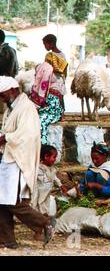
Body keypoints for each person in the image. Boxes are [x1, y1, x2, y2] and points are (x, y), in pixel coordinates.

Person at [0, 76, 55, 249]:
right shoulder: (12, 107)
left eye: (2, 95)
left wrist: (5, 138)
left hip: (18, 161)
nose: (1, 98)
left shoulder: (26, 108)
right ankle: (6, 239)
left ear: (13, 90)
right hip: (9, 159)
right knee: (2, 201)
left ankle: (45, 223)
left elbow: (27, 135)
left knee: (13, 202)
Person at [29, 62, 64, 144]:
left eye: (37, 73)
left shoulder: (54, 90)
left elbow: (55, 108)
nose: (36, 75)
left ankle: (42, 145)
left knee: (41, 121)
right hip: (45, 112)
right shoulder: (38, 89)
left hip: (51, 114)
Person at [33, 144, 67, 217]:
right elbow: (40, 180)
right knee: (40, 201)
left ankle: (44, 214)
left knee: (46, 202)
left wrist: (60, 185)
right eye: (54, 157)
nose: (55, 159)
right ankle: (41, 214)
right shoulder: (40, 168)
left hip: (47, 190)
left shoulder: (52, 168)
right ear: (46, 157)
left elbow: (55, 177)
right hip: (41, 190)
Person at [42, 34, 68, 121]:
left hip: (52, 80)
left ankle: (51, 113)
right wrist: (64, 79)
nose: (45, 47)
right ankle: (62, 115)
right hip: (60, 79)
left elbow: (46, 68)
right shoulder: (63, 55)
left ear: (51, 44)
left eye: (45, 44)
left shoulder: (49, 55)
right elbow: (65, 69)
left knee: (50, 97)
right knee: (61, 97)